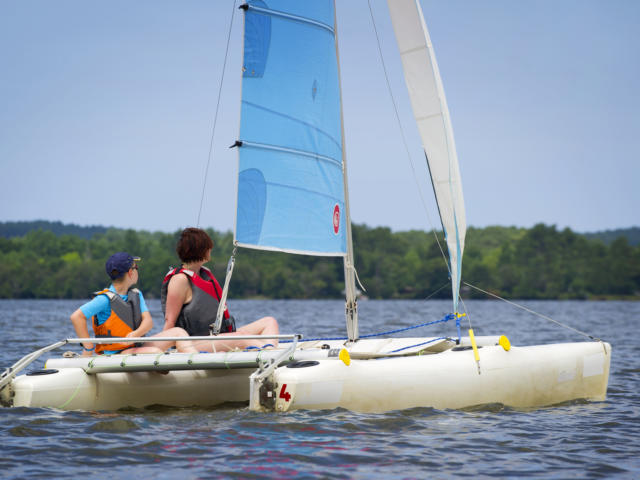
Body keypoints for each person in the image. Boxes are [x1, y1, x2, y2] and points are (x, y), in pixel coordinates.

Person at [161, 227, 279, 352]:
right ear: (200, 249)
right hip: (193, 343)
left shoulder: (205, 274)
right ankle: (269, 354)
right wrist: (164, 351)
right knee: (240, 337)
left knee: (269, 322)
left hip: (217, 337)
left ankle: (268, 352)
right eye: (208, 247)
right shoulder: (180, 280)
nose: (211, 250)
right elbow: (170, 320)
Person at [70, 252, 198, 356]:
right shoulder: (104, 299)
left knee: (178, 332)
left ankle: (197, 363)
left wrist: (135, 334)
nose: (137, 271)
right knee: (155, 352)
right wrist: (88, 347)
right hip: (114, 354)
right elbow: (76, 317)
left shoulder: (136, 295)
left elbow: (148, 322)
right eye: (136, 268)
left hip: (136, 347)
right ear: (130, 272)